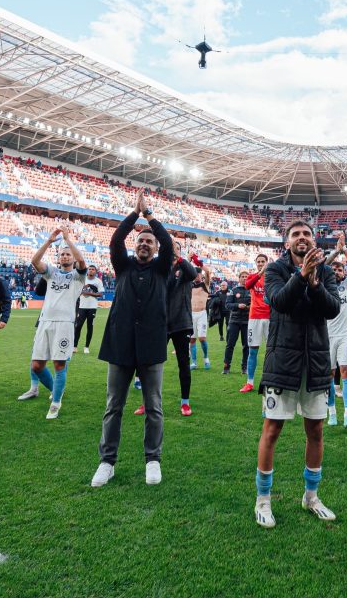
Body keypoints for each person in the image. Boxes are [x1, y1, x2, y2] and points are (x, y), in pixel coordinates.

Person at [254, 220, 341, 528]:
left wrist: (315, 283)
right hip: (283, 363)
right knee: (272, 430)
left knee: (315, 431)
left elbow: (333, 309)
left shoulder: (326, 272)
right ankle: (263, 500)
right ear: (287, 243)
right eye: (296, 234)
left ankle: (311, 496)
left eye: (307, 234)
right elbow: (279, 302)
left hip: (315, 362)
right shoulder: (276, 270)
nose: (302, 238)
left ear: (313, 240)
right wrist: (302, 275)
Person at [92, 192, 174, 487]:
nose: (144, 244)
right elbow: (116, 241)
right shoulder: (122, 266)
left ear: (154, 249)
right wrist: (133, 216)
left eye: (148, 242)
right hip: (120, 343)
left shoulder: (162, 268)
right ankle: (107, 461)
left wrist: (149, 215)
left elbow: (169, 243)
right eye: (140, 240)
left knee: (154, 406)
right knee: (114, 405)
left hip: (152, 345)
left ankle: (153, 459)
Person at [17, 228, 86, 419]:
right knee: (37, 365)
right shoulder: (51, 273)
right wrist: (49, 241)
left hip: (64, 323)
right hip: (45, 322)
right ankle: (56, 390)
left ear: (72, 257)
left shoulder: (79, 276)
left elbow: (81, 261)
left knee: (59, 364)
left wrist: (68, 240)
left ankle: (55, 403)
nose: (64, 256)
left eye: (67, 254)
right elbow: (34, 261)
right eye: (62, 254)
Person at [151, 241, 198, 416]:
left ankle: (185, 402)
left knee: (183, 364)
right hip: (161, 323)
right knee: (153, 363)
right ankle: (149, 400)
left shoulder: (185, 269)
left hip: (181, 323)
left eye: (176, 248)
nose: (173, 251)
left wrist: (178, 257)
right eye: (170, 249)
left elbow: (193, 273)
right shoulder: (161, 269)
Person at [323, 232, 347, 428]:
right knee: (329, 374)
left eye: (340, 269)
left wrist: (343, 250)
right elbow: (320, 267)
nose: (337, 271)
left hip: (345, 335)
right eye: (334, 268)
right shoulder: (323, 284)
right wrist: (334, 252)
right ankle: (332, 412)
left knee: (346, 371)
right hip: (326, 335)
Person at [241, 253, 271, 393]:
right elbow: (247, 285)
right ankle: (250, 382)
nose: (260, 263)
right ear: (256, 263)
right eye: (258, 261)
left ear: (267, 262)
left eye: (263, 261)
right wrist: (260, 273)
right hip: (255, 318)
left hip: (270, 317)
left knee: (272, 351)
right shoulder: (252, 276)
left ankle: (269, 380)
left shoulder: (271, 276)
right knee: (253, 350)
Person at [222, 271, 251, 375]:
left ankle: (244, 368)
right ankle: (226, 367)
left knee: (246, 346)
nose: (244, 278)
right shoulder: (233, 291)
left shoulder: (251, 290)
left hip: (247, 322)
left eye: (246, 277)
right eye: (242, 277)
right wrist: (238, 306)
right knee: (230, 345)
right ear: (239, 279)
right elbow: (227, 305)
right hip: (234, 321)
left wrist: (249, 306)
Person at [74, 265, 104, 353]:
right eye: (89, 269)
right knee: (78, 326)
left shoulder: (98, 281)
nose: (91, 271)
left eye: (93, 269)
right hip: (82, 306)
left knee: (90, 327)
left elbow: (100, 294)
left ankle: (86, 347)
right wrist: (82, 292)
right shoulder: (83, 279)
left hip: (92, 307)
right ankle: (74, 346)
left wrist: (88, 293)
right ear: (87, 271)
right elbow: (77, 291)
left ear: (96, 271)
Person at [189, 263, 213, 370]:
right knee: (192, 340)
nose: (197, 276)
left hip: (202, 314)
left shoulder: (205, 284)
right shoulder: (189, 285)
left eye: (198, 274)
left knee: (202, 338)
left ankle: (206, 358)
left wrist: (199, 263)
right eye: (195, 274)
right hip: (191, 314)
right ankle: (194, 362)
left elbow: (207, 272)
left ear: (201, 275)